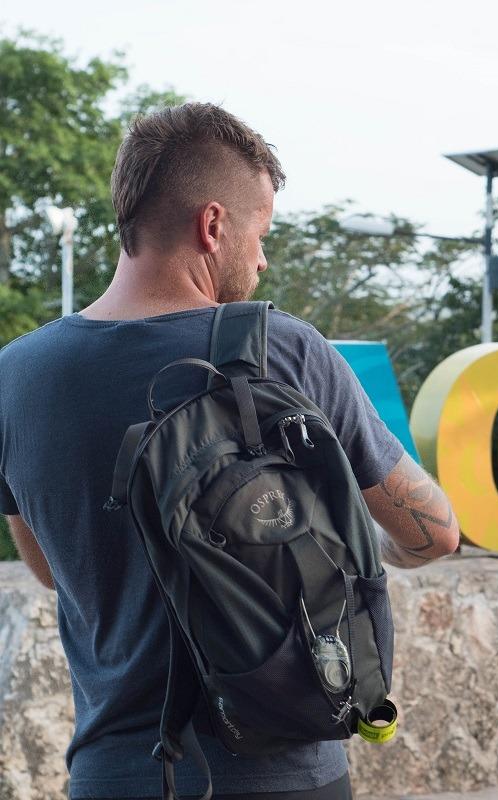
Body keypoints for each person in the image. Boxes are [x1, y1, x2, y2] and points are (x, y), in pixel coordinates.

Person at [0, 103, 461, 799]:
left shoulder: (15, 376)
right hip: (283, 775)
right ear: (213, 226)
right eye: (261, 234)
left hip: (115, 774)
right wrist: (362, 551)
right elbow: (436, 534)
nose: (262, 258)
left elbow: (49, 569)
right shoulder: (284, 349)